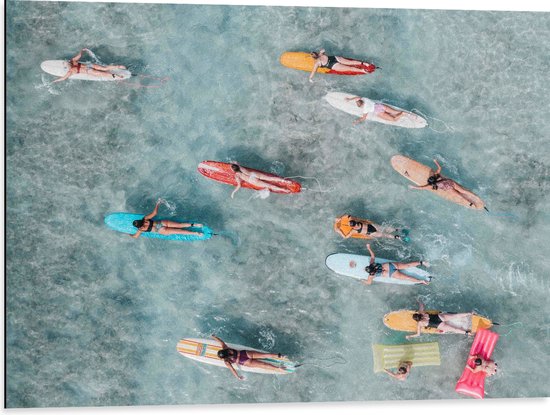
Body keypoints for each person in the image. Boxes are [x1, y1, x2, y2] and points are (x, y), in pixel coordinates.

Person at [408, 159, 482, 208]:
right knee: (463, 191)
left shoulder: (431, 185)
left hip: (448, 188)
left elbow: (422, 187)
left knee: (459, 195)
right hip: (451, 183)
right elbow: (440, 168)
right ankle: (475, 197)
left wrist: (413, 187)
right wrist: (436, 162)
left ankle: (470, 203)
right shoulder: (436, 175)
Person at [211, 335, 288, 380]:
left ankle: (278, 368)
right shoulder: (226, 349)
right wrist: (214, 336)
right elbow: (221, 342)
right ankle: (280, 356)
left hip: (244, 361)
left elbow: (232, 369)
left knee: (263, 365)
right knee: (265, 355)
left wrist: (238, 377)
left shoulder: (226, 361)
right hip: (246, 353)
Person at [362, 243, 430, 285]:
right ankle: (422, 263)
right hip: (390, 265)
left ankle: (422, 281)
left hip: (391, 274)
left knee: (407, 278)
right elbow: (372, 255)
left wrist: (362, 280)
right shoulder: (372, 264)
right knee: (407, 265)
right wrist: (368, 248)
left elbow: (368, 283)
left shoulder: (371, 275)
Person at [131, 201, 204, 238]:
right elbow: (154, 213)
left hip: (159, 230)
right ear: (139, 221)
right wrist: (157, 204)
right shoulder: (145, 219)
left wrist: (130, 235)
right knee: (180, 225)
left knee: (179, 232)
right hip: (161, 224)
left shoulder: (140, 229)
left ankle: (196, 233)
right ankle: (195, 225)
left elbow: (135, 236)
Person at [52, 48, 127, 83]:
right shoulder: (73, 61)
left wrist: (56, 80)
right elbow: (79, 56)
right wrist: (82, 50)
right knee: (104, 68)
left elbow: (64, 78)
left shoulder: (71, 71)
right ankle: (118, 66)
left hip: (89, 71)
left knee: (103, 74)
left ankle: (117, 76)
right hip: (90, 65)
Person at [406, 301, 473, 339]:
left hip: (439, 325)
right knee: (455, 316)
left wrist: (410, 336)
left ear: (417, 320)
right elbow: (422, 305)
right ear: (418, 314)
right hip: (440, 317)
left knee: (454, 329)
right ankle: (469, 313)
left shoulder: (420, 324)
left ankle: (467, 333)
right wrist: (419, 301)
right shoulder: (422, 312)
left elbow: (418, 334)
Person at [308, 49, 375, 82]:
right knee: (350, 62)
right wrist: (320, 53)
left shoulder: (317, 63)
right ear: (316, 54)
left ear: (314, 58)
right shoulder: (321, 54)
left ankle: (362, 70)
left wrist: (310, 78)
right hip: (335, 58)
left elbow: (313, 71)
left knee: (349, 68)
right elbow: (323, 49)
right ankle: (364, 63)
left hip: (333, 65)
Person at [335, 215, 403, 240]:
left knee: (385, 235)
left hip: (370, 233)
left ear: (352, 226)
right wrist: (340, 218)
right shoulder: (357, 220)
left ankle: (397, 237)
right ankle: (397, 229)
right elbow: (348, 216)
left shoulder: (354, 231)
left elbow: (345, 237)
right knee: (385, 228)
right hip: (371, 225)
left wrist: (339, 231)